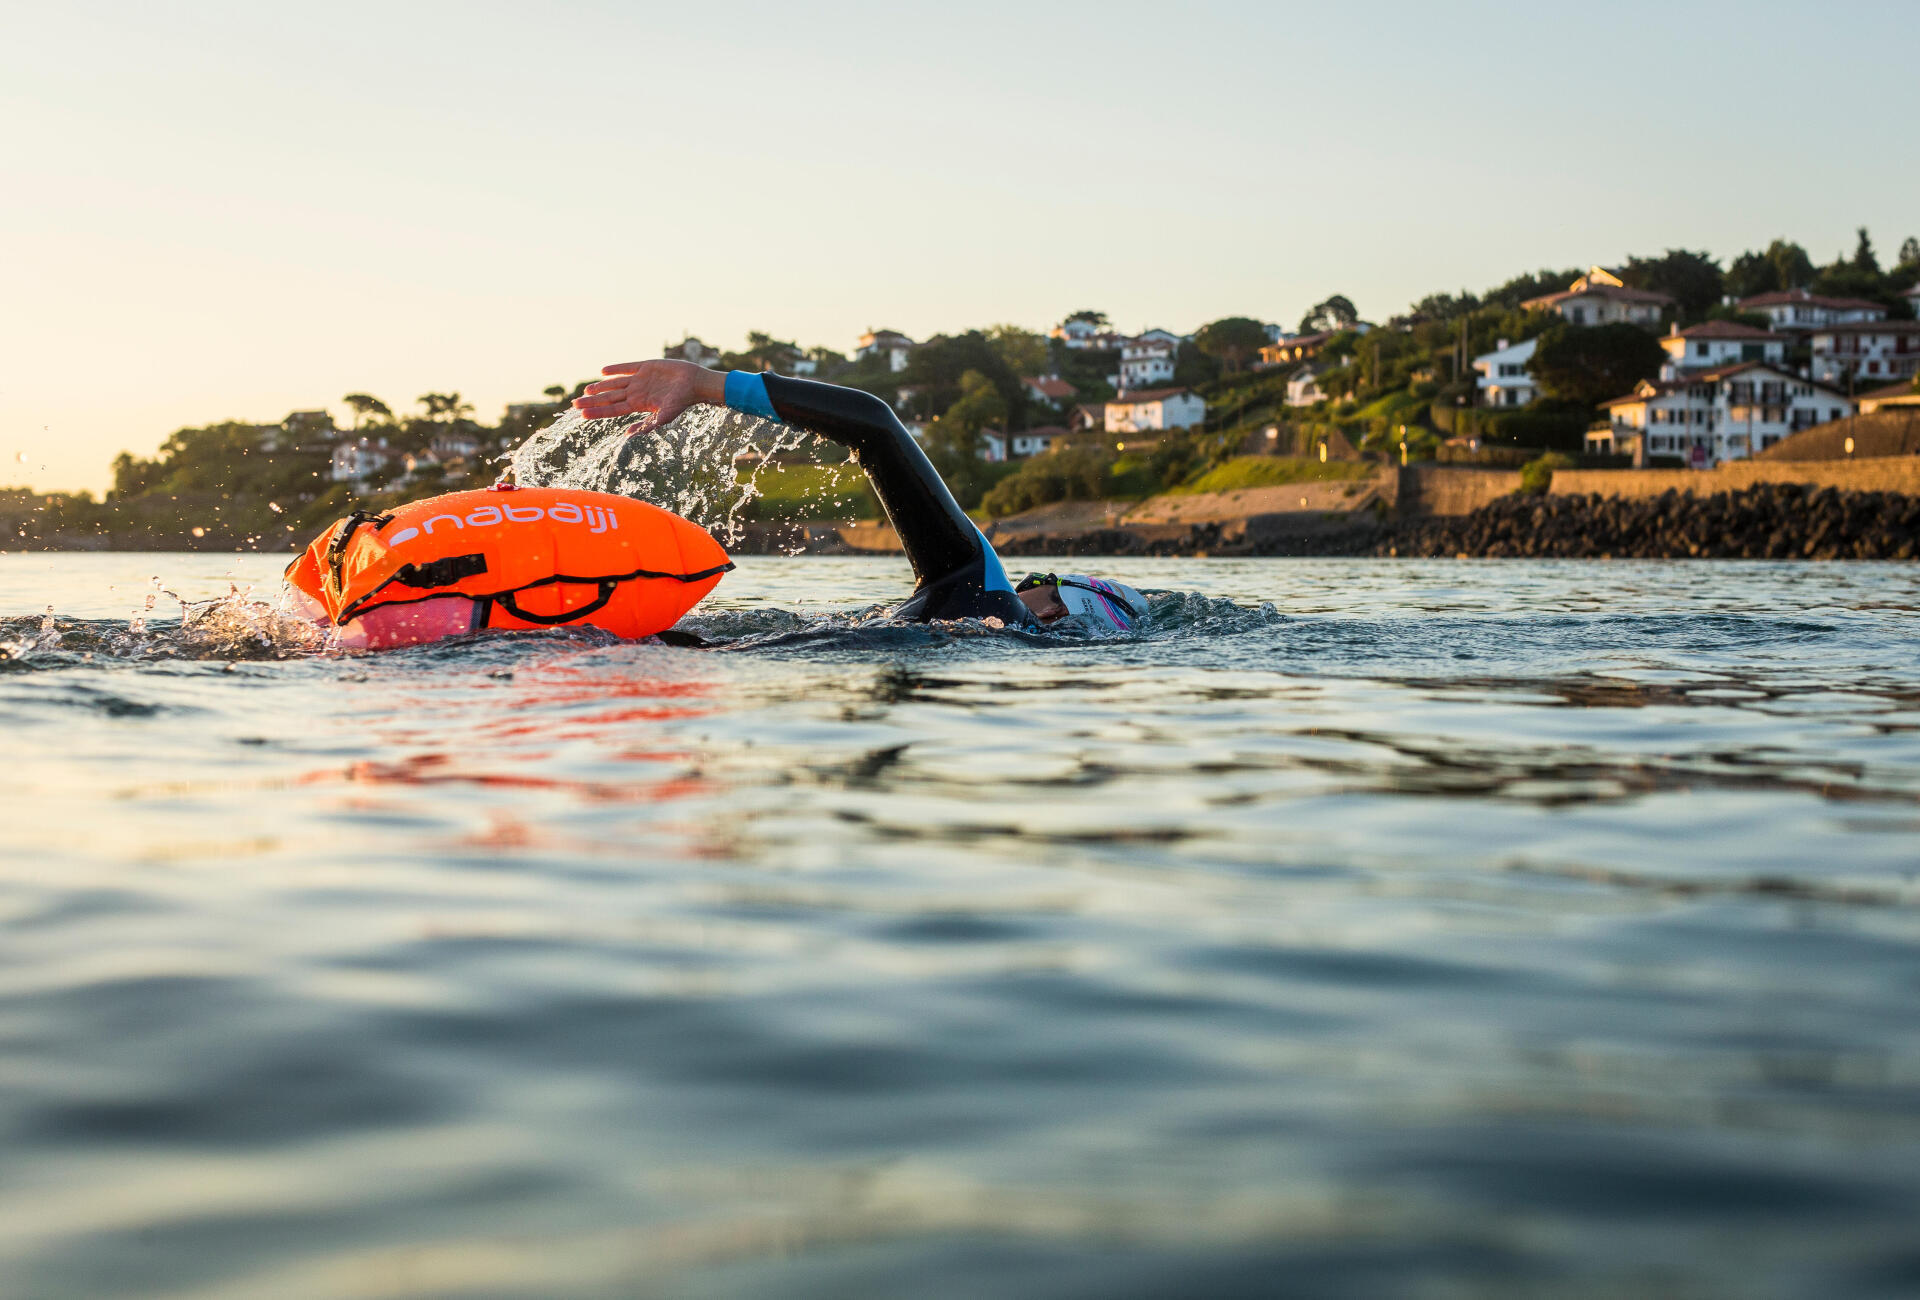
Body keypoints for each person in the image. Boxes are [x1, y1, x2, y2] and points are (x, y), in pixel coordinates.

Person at [572, 359, 1147, 633]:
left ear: (1060, 605)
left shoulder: (984, 590)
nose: (1023, 583)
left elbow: (875, 425)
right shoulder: (991, 630)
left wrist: (705, 385)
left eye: (1039, 584)